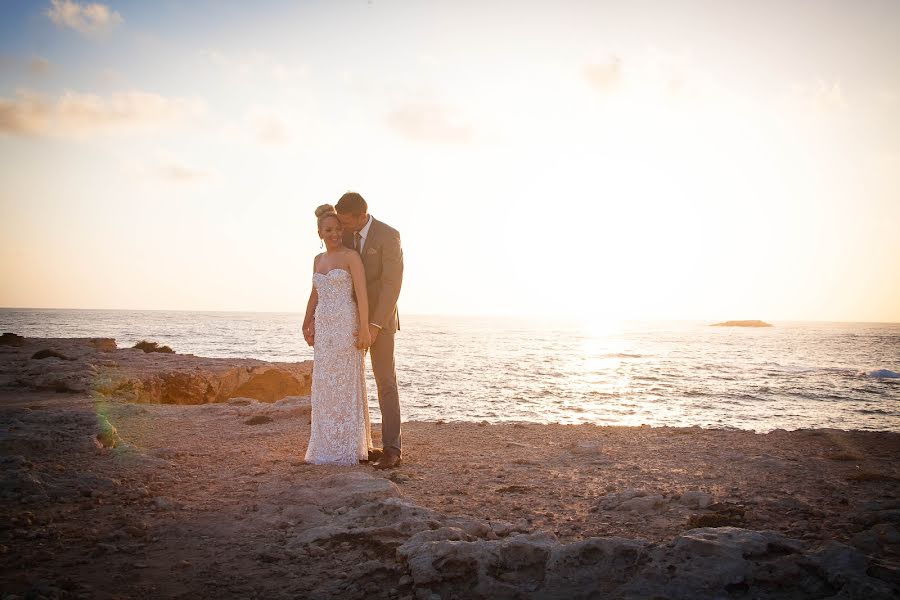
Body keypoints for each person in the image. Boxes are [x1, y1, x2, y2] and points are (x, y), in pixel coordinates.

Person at [333, 192, 404, 470]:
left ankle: (393, 450)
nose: (343, 226)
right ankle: (358, 444)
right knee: (350, 381)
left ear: (362, 215)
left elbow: (392, 284)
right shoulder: (345, 233)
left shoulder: (389, 235)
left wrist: (373, 325)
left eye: (347, 221)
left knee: (385, 382)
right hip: (350, 319)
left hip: (382, 322)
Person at [302, 204, 373, 465]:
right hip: (325, 326)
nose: (335, 234)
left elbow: (362, 295)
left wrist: (364, 327)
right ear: (319, 232)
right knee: (325, 383)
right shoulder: (317, 260)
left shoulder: (351, 256)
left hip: (346, 323)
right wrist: (306, 319)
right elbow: (314, 293)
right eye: (328, 230)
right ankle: (324, 445)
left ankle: (348, 447)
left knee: (345, 381)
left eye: (338, 229)